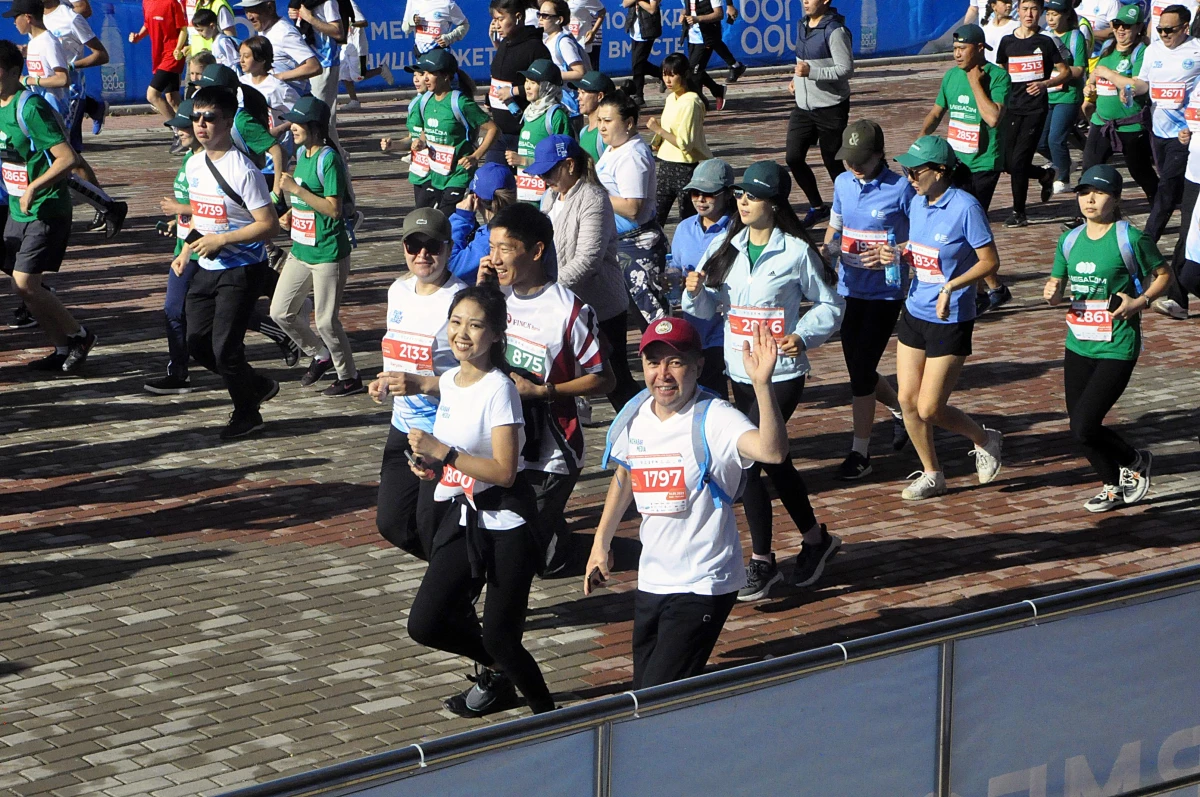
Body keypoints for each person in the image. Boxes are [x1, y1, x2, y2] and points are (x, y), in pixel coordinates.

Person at [584, 317, 788, 688]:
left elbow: (772, 452)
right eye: (653, 362)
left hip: (704, 583)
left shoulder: (716, 418)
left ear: (697, 366)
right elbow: (626, 474)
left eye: (675, 362)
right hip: (654, 578)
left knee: (658, 695)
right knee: (647, 691)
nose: (662, 374)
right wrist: (601, 544)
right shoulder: (636, 415)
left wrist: (762, 385)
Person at [682, 161, 845, 601]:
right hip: (740, 370)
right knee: (775, 460)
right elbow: (701, 310)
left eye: (752, 196)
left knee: (749, 461)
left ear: (774, 204)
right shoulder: (727, 244)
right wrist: (695, 291)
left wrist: (802, 335)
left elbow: (831, 304)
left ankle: (763, 562)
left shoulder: (795, 250)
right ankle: (816, 540)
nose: (743, 203)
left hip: (782, 374)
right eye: (739, 195)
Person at [401, 283, 557, 718]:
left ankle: (552, 717)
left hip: (509, 523)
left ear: (496, 335)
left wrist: (444, 453)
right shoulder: (450, 381)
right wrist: (430, 466)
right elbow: (456, 457)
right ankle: (501, 674)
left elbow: (505, 471)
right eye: (456, 322)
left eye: (475, 325)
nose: (462, 333)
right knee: (426, 622)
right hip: (465, 516)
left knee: (501, 638)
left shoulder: (500, 389)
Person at [478, 203, 616, 575]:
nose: (495, 259)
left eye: (505, 249)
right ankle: (560, 547)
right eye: (491, 248)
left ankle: (572, 553)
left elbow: (605, 379)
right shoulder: (496, 299)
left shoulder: (569, 311)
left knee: (519, 547)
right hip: (503, 442)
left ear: (536, 251)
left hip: (552, 451)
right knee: (512, 536)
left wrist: (543, 392)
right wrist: (481, 295)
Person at [884, 135, 1003, 500]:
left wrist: (952, 286)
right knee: (906, 400)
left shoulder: (966, 207)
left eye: (915, 171)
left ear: (940, 171)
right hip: (915, 310)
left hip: (950, 317)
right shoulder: (918, 203)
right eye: (905, 170)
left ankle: (985, 439)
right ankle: (933, 473)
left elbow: (989, 261)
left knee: (930, 407)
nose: (909, 178)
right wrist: (898, 253)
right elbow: (923, 247)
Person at [1043, 165, 1165, 512]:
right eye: (1084, 193)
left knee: (1084, 425)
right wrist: (1052, 293)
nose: (1090, 199)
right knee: (1079, 427)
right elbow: (1057, 286)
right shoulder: (1069, 240)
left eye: (1099, 193)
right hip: (1078, 342)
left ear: (1116, 198)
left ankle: (1135, 461)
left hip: (1117, 344)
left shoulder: (1130, 238)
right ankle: (1111, 484)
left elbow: (1163, 275)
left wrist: (1139, 302)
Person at [172, 86, 281, 439]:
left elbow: (269, 224)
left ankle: (247, 413)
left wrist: (222, 240)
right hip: (206, 267)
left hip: (243, 269)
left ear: (228, 121)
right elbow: (201, 217)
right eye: (196, 118)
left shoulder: (242, 169)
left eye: (210, 118)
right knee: (196, 343)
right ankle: (257, 384)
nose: (201, 125)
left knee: (225, 349)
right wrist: (186, 250)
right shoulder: (193, 164)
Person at [369, 208, 468, 557]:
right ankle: (454, 578)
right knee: (391, 523)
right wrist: (382, 381)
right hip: (402, 427)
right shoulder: (398, 290)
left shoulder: (461, 301)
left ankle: (453, 593)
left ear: (448, 248)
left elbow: (474, 380)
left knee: (431, 528)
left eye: (433, 247)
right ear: (403, 248)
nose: (423, 255)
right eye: (414, 246)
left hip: (442, 432)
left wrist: (422, 385)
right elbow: (396, 352)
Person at [823, 120, 914, 481]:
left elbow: (921, 239)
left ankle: (860, 452)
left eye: (862, 159)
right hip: (849, 290)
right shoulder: (843, 183)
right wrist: (827, 251)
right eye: (848, 159)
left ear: (880, 154)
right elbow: (837, 225)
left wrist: (896, 251)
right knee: (859, 368)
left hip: (885, 293)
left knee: (860, 374)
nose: (854, 166)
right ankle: (901, 413)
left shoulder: (902, 189)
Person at [0, 38, 95, 374]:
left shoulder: (30, 108)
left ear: (14, 71)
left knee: (25, 284)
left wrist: (35, 186)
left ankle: (79, 335)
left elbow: (67, 158)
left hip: (45, 207)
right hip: (16, 209)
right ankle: (61, 347)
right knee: (24, 286)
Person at [531, 134, 641, 410]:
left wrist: (548, 290)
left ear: (569, 165)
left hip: (599, 305)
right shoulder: (550, 196)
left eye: (548, 171)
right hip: (563, 305)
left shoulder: (593, 198)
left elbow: (588, 259)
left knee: (614, 380)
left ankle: (642, 431)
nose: (544, 179)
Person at [269, 96, 362, 397]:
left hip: (327, 253)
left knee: (326, 321)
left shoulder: (328, 158)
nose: (291, 127)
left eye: (297, 123)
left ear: (314, 127)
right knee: (280, 312)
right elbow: (307, 199)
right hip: (301, 249)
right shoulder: (301, 153)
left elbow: (334, 208)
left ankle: (349, 377)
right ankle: (320, 355)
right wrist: (291, 211)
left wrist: (295, 190)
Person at [919, 24, 1013, 310]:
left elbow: (993, 118)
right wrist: (920, 144)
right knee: (958, 226)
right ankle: (993, 288)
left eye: (962, 49)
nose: (957, 54)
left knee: (964, 227)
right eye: (954, 49)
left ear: (980, 48)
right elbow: (937, 112)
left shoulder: (998, 77)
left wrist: (975, 83)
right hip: (954, 163)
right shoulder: (950, 76)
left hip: (983, 165)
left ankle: (983, 292)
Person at [14, 0, 125, 237]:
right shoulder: (38, 26)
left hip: (66, 96)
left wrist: (70, 65)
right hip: (43, 98)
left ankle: (104, 206)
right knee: (64, 160)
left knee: (65, 160)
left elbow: (101, 55)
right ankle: (105, 206)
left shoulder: (70, 17)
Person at [146, 98, 204, 395]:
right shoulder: (189, 158)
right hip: (187, 242)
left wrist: (179, 207)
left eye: (183, 126)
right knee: (198, 311)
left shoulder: (208, 161)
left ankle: (179, 372)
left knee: (175, 309)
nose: (178, 132)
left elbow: (213, 208)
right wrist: (176, 223)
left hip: (199, 248)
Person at [596, 92, 668, 327]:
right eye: (600, 120)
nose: (602, 127)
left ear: (628, 123)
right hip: (618, 244)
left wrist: (594, 195)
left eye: (608, 121)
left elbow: (632, 207)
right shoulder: (614, 147)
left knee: (651, 316)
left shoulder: (633, 156)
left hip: (636, 248)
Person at [1130, 4, 1200, 248]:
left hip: (1185, 134)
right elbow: (1143, 83)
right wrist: (1129, 90)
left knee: (1167, 188)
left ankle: (1146, 244)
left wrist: (1194, 124)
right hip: (1157, 130)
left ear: (1185, 27)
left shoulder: (1197, 50)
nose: (1164, 35)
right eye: (1160, 29)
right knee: (1170, 186)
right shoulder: (1153, 50)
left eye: (1170, 30)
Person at [995, 0, 1069, 228]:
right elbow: (1000, 72)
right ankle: (1044, 175)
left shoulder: (1046, 41)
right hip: (1011, 109)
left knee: (1018, 162)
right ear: (1018, 10)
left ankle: (1019, 213)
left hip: (1035, 109)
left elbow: (1066, 71)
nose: (1030, 14)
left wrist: (1046, 83)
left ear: (1040, 13)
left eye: (1034, 9)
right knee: (1007, 162)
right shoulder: (1007, 41)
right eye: (1025, 9)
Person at [1080, 5, 1155, 215]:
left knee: (1140, 172)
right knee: (1089, 169)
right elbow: (1095, 74)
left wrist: (1111, 75)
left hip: (1129, 125)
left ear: (1139, 27)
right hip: (1101, 122)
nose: (1121, 30)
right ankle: (1084, 217)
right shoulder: (1108, 48)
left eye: (1127, 26)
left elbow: (1139, 85)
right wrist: (1090, 85)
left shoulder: (1141, 52)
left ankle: (1159, 205)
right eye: (1117, 24)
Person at [786, 0, 853, 227]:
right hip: (803, 107)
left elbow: (845, 69)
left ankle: (852, 210)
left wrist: (811, 72)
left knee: (833, 162)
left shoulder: (835, 30)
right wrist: (796, 80)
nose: (805, 1)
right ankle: (818, 207)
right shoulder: (802, 24)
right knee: (793, 158)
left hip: (831, 107)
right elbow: (801, 63)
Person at [670, 158, 734, 398]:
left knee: (715, 391)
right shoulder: (685, 228)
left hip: (724, 329)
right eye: (694, 192)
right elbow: (675, 269)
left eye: (708, 193)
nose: (700, 199)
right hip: (693, 328)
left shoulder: (738, 230)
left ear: (727, 194)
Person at [407, 49, 497, 210]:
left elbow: (493, 129)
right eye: (424, 73)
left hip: (459, 173)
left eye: (431, 73)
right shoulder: (425, 101)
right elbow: (424, 131)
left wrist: (476, 156)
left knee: (447, 218)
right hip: (435, 173)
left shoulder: (460, 102)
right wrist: (420, 142)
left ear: (446, 76)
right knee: (426, 217)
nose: (425, 78)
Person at [648, 53, 712, 226]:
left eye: (672, 75)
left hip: (685, 168)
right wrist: (657, 140)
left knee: (689, 219)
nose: (667, 80)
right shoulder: (671, 98)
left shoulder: (691, 102)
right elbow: (667, 125)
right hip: (666, 164)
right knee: (655, 216)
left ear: (684, 75)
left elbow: (685, 144)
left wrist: (658, 130)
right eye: (664, 74)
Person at [487, 0, 552, 164]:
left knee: (522, 188)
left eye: (501, 19)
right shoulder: (504, 44)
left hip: (524, 134)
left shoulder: (535, 48)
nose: (497, 25)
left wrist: (513, 92)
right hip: (499, 133)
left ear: (518, 17)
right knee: (490, 184)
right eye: (494, 20)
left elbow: (547, 87)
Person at [1038, 0, 1089, 194]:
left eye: (1055, 14)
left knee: (1055, 138)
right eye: (1048, 14)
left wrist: (1060, 74)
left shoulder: (1075, 37)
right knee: (1040, 141)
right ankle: (1065, 162)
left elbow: (1079, 68)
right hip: (1047, 95)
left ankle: (1063, 178)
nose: (1050, 18)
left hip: (1067, 96)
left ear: (1066, 15)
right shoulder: (1044, 36)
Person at [506, 58, 570, 205]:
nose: (527, 87)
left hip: (549, 200)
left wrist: (523, 161)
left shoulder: (556, 115)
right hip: (526, 196)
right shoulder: (529, 112)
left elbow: (565, 161)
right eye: (526, 81)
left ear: (547, 86)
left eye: (533, 83)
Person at [286, 0, 347, 147]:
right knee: (309, 117)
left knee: (321, 118)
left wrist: (310, 18)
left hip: (325, 63)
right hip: (307, 63)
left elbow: (338, 32)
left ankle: (337, 163)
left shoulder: (327, 2)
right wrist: (295, 16)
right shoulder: (302, 2)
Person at [449, 162, 517, 284]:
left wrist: (461, 218)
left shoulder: (488, 241)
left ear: (476, 198)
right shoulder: (524, 224)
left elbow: (451, 267)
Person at [239, 0, 321, 96]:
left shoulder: (285, 33)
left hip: (296, 101)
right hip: (277, 102)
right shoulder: (264, 29)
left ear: (270, 7)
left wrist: (276, 78)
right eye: (246, 11)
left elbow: (314, 67)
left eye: (253, 10)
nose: (249, 17)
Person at [130, 0, 188, 130]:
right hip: (159, 56)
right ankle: (190, 129)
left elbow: (183, 29)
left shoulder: (172, 3)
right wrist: (138, 36)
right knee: (172, 98)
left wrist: (178, 48)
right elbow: (147, 24)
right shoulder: (146, 2)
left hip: (172, 56)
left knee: (152, 95)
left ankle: (180, 130)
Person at [338, 0, 395, 110]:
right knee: (343, 74)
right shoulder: (332, 6)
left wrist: (348, 23)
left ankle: (380, 70)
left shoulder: (349, 3)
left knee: (358, 76)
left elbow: (363, 22)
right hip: (346, 46)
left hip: (359, 46)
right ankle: (354, 101)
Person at [539, 0, 590, 120]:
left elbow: (580, 72)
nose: (540, 19)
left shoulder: (564, 42)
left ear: (559, 20)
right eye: (539, 15)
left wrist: (552, 76)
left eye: (545, 16)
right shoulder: (546, 40)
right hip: (553, 103)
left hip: (568, 106)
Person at [682, 0, 728, 110]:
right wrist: (683, 15)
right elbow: (687, 8)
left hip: (706, 38)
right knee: (694, 70)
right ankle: (717, 90)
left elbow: (719, 14)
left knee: (694, 71)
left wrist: (699, 19)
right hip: (692, 37)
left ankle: (699, 103)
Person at [621, 0, 661, 107]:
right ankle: (662, 73)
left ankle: (639, 96)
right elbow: (625, 3)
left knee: (637, 64)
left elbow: (652, 9)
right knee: (639, 63)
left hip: (648, 30)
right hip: (635, 31)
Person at [402, 0, 470, 56]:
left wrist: (449, 38)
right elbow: (405, 29)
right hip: (419, 52)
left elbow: (465, 24)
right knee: (418, 73)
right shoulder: (412, 1)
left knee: (432, 72)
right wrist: (411, 21)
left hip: (439, 52)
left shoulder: (447, 4)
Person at [576, 69, 614, 161]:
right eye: (578, 93)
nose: (578, 98)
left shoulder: (605, 133)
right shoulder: (583, 132)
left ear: (599, 96)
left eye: (583, 93)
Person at [568, 0, 606, 67]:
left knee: (589, 72)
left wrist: (593, 32)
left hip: (588, 41)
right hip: (571, 40)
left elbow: (602, 11)